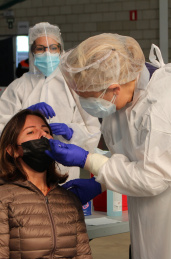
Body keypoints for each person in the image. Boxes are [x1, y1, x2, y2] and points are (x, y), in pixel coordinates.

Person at [46, 33, 171, 259]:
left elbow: (153, 175)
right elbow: (137, 156)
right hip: (156, 202)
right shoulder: (122, 100)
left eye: (90, 98)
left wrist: (90, 161)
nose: (89, 106)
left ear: (114, 88)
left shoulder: (164, 103)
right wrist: (101, 181)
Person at [0, 22, 101, 181]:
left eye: (53, 48)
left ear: (61, 50)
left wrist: (71, 131)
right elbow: (2, 127)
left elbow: (93, 130)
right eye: (40, 48)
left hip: (64, 169)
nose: (47, 53)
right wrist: (24, 115)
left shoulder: (73, 87)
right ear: (32, 51)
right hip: (25, 170)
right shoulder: (19, 87)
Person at [0, 109, 96, 259]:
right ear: (13, 150)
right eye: (31, 132)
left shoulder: (69, 200)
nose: (43, 135)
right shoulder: (4, 198)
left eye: (46, 131)